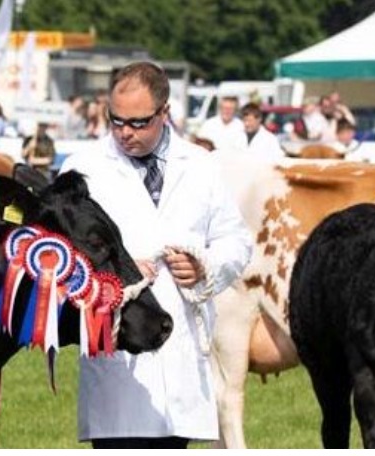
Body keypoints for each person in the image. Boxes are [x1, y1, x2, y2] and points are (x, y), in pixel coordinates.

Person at [60, 61, 252, 449]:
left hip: (180, 346)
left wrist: (205, 267)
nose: (124, 133)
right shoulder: (83, 168)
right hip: (120, 349)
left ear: (165, 113)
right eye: (116, 121)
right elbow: (62, 258)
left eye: (138, 122)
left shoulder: (200, 165)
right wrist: (116, 275)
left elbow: (237, 241)